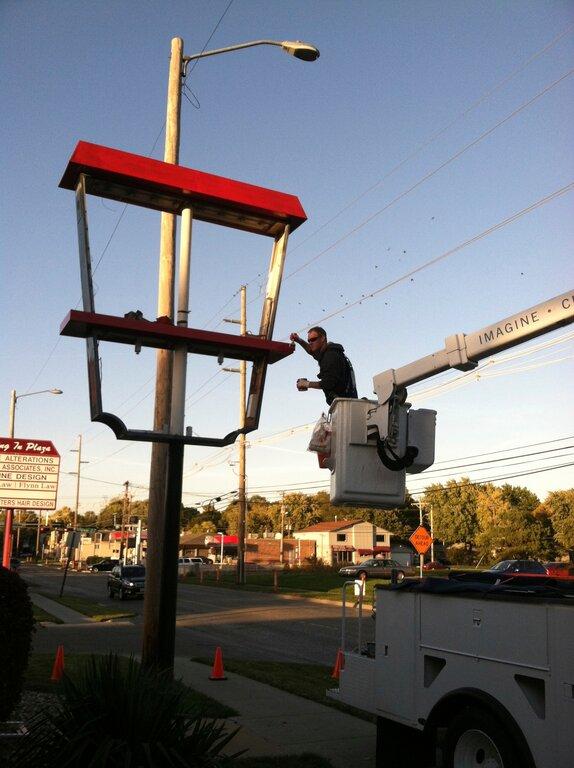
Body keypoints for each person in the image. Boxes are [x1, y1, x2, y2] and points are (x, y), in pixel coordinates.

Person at [290, 326, 357, 405]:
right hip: (345, 403)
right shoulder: (329, 352)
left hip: (345, 404)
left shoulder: (330, 356)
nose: (310, 343)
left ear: (322, 338)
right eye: (309, 341)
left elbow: (328, 383)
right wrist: (299, 340)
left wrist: (306, 384)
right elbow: (311, 351)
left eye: (313, 339)